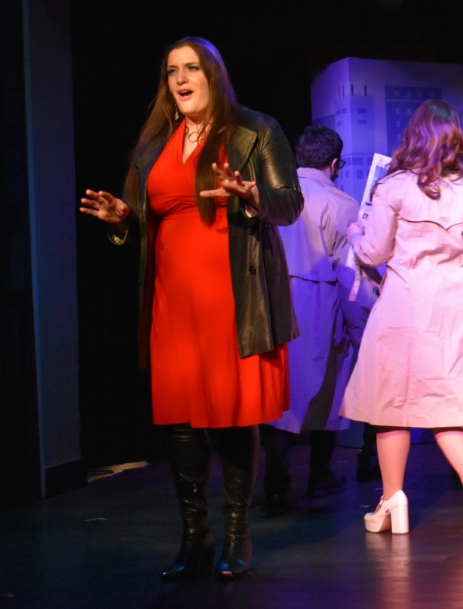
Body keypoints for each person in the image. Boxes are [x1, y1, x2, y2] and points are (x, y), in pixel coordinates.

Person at [78, 37, 303, 579]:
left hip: (232, 296)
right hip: (171, 301)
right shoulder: (155, 143)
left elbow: (289, 204)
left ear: (214, 75)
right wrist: (122, 222)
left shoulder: (255, 130)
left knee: (230, 417)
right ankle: (195, 537)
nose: (180, 79)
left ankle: (235, 535)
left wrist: (250, 195)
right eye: (171, 71)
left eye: (192, 68)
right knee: (179, 422)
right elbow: (144, 216)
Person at [341, 99, 463, 533]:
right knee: (445, 404)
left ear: (414, 137)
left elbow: (374, 252)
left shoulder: (393, 187)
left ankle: (394, 500)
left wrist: (357, 235)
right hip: (451, 309)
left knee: (389, 405)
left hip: (404, 304)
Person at [260, 125, 376, 516]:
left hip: (270, 300)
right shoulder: (342, 204)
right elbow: (349, 273)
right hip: (315, 300)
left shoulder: (273, 196)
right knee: (324, 387)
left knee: (278, 395)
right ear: (335, 163)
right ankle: (319, 475)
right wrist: (362, 325)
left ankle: (274, 484)